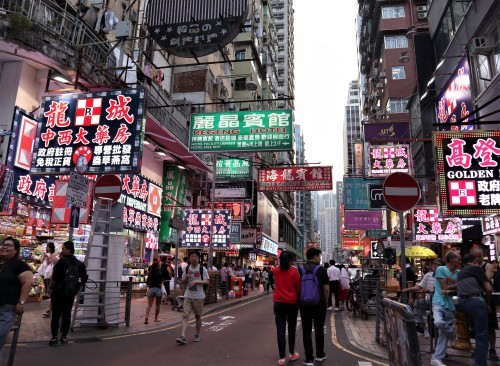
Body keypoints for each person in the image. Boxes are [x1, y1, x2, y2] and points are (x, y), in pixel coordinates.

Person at [0, 237, 33, 363]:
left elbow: (27, 282)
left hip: (6, 309)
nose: (4, 247)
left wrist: (21, 302)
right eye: (3, 245)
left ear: (16, 250)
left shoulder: (19, 265)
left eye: (8, 245)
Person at [49, 240, 87, 346]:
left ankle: (54, 337)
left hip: (58, 292)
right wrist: (75, 287)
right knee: (67, 314)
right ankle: (64, 337)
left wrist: (51, 288)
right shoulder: (79, 263)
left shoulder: (61, 262)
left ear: (68, 249)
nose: (62, 251)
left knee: (56, 315)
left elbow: (54, 277)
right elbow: (84, 279)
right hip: (70, 294)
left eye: (63, 249)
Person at [456, 254, 492, 366]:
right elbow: (489, 289)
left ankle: (477, 350)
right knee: (482, 335)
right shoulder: (476, 268)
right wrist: (488, 303)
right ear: (475, 261)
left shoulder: (460, 272)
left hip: (461, 303)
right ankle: (480, 363)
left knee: (476, 331)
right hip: (475, 301)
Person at [299, 247, 329, 366]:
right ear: (316, 256)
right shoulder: (321, 270)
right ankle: (320, 354)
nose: (320, 258)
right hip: (319, 304)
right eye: (319, 256)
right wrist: (326, 302)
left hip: (304, 304)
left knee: (306, 330)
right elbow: (326, 289)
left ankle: (308, 358)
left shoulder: (300, 270)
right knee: (319, 329)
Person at [430, 251, 461, 366]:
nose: (459, 261)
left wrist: (452, 289)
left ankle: (437, 358)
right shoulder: (441, 269)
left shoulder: (459, 273)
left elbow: (458, 288)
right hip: (439, 301)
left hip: (451, 305)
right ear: (451, 259)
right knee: (438, 322)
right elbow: (444, 287)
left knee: (443, 334)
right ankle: (452, 332)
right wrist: (456, 286)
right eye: (457, 258)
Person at [273, 251, 301, 366]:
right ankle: (292, 353)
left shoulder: (275, 271)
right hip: (292, 303)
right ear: (290, 260)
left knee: (280, 330)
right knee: (291, 329)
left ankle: (281, 359)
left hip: (278, 303)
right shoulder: (294, 271)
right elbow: (298, 287)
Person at [176, 251, 209, 345]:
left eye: (196, 256)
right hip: (188, 295)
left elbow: (207, 281)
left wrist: (197, 281)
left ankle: (197, 334)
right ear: (189, 258)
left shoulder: (202, 269)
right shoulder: (187, 268)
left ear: (198, 259)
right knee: (185, 315)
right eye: (192, 256)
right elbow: (181, 282)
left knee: (198, 316)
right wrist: (185, 279)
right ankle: (183, 336)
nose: (194, 258)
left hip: (199, 297)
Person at [471, 247, 498, 359]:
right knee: (476, 326)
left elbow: (485, 279)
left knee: (490, 326)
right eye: (475, 256)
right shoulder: (470, 267)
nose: (478, 258)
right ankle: (479, 348)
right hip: (474, 299)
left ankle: (492, 349)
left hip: (487, 298)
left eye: (480, 256)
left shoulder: (488, 266)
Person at [402, 259, 441, 335]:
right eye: (434, 264)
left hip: (440, 301)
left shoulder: (445, 276)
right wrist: (408, 289)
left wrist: (430, 290)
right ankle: (419, 324)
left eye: (438, 265)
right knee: (418, 303)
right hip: (430, 300)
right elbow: (419, 287)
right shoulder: (428, 275)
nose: (436, 266)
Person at [42, 242, 58, 318]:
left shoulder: (53, 255)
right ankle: (50, 310)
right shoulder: (46, 254)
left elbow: (52, 264)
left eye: (48, 246)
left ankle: (49, 311)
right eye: (47, 246)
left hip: (50, 276)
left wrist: (48, 258)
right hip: (46, 275)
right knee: (50, 294)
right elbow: (44, 263)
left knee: (52, 294)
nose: (47, 248)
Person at [145, 258, 162, 324]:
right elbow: (161, 282)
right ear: (158, 266)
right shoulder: (160, 273)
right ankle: (156, 318)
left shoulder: (150, 273)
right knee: (157, 305)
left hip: (151, 289)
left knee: (149, 305)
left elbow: (147, 282)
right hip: (158, 289)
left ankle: (146, 317)